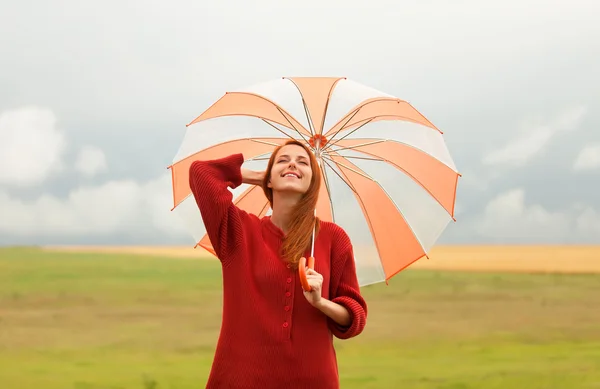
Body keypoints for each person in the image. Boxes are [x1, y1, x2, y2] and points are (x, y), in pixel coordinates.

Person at [188, 139, 368, 389]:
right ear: (269, 180)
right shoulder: (238, 231)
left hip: (313, 381)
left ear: (313, 183)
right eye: (283, 160)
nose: (293, 163)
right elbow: (201, 173)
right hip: (241, 379)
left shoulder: (332, 238)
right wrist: (262, 176)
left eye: (303, 162)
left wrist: (320, 302)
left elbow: (354, 318)